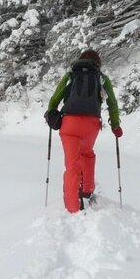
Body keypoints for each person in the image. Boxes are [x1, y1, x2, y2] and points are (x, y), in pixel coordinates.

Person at [45, 49, 122, 213]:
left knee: (72, 165)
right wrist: (115, 126)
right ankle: (87, 191)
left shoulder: (71, 75)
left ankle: (73, 207)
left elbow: (55, 99)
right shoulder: (101, 78)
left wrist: (52, 113)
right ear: (97, 63)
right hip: (91, 125)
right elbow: (112, 104)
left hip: (70, 124)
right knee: (87, 154)